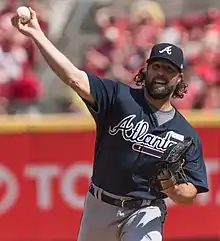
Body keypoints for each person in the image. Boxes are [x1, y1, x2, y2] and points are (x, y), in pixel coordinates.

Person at [11, 8, 209, 241]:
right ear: (146, 70)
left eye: (169, 69)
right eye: (156, 66)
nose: (160, 74)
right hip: (99, 206)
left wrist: (173, 187)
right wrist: (38, 35)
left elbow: (189, 194)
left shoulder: (185, 134)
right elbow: (74, 77)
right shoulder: (118, 97)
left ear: (179, 78)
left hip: (144, 210)